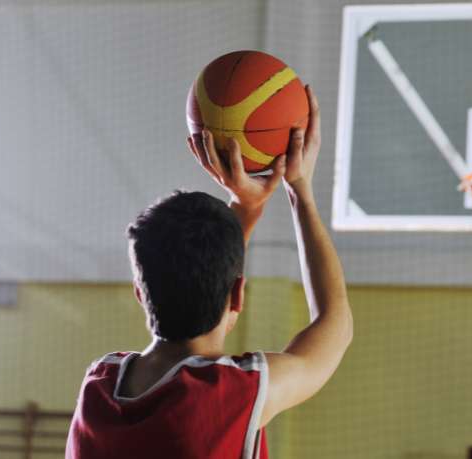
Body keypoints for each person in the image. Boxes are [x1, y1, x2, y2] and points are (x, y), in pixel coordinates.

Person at [66, 86, 353, 459]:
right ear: (238, 295)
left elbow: (331, 322)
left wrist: (246, 207)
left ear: (140, 290)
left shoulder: (99, 383)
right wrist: (298, 188)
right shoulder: (232, 394)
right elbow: (337, 323)